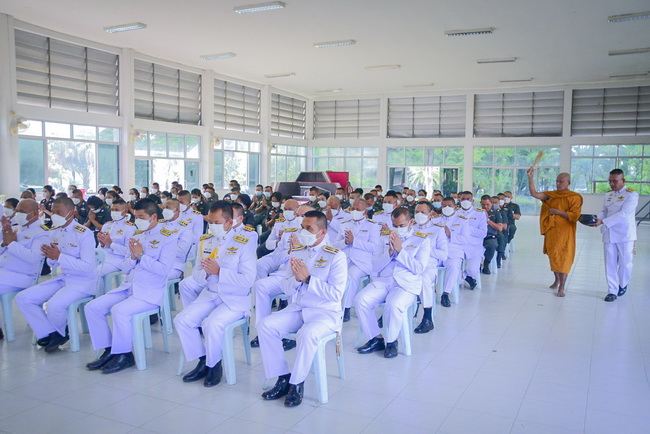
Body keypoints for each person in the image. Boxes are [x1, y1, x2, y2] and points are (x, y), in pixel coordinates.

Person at [259, 211, 347, 407]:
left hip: (325, 313)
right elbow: (285, 286)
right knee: (266, 325)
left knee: (306, 334)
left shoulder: (336, 256)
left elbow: (335, 294)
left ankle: (296, 384)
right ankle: (282, 377)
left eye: (309, 228)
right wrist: (298, 281)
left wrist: (308, 279)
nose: (304, 232)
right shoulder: (297, 252)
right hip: (299, 308)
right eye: (302, 227)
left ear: (322, 232)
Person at [83, 199, 180, 373]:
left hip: (149, 292)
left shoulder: (168, 237)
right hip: (128, 287)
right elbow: (125, 268)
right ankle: (109, 350)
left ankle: (124, 355)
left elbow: (163, 270)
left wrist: (141, 256)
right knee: (92, 307)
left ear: (153, 216)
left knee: (119, 311)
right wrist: (134, 257)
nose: (137, 220)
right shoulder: (137, 235)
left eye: (141, 217)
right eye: (136, 217)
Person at [174, 201, 257, 387]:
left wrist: (220, 272)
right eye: (210, 222)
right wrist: (206, 273)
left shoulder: (244, 242)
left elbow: (247, 280)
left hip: (234, 299)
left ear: (229, 222)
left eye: (217, 222)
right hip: (211, 294)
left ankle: (215, 366)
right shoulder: (206, 241)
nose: (212, 226)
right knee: (182, 320)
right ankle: (203, 360)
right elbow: (196, 274)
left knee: (211, 324)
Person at [15, 197, 97, 352]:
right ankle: (50, 332)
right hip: (63, 278)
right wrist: (52, 258)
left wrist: (59, 256)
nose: (55, 215)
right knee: (24, 298)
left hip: (83, 282)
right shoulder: (54, 232)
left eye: (59, 212)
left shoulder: (83, 233)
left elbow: (87, 267)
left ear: (72, 212)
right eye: (53, 212)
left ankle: (59, 333)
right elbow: (53, 264)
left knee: (54, 305)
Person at [356, 207, 431, 357]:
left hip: (406, 284)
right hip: (385, 281)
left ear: (411, 222)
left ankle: (391, 342)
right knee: (360, 299)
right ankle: (375, 338)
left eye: (401, 225)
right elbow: (375, 266)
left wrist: (400, 251)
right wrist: (390, 253)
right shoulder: (384, 237)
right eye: (394, 225)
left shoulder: (422, 239)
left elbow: (418, 269)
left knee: (393, 304)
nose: (397, 229)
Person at [527, 167, 583, 297]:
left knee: (564, 257)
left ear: (568, 183)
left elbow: (575, 215)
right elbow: (534, 194)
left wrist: (558, 212)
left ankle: (562, 287)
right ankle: (556, 280)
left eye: (561, 181)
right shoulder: (551, 195)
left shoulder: (574, 197)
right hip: (552, 231)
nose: (558, 184)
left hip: (565, 232)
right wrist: (530, 178)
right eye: (557, 181)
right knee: (553, 255)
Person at [0, 199, 51, 340]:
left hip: (22, 276)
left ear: (34, 214)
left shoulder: (42, 233)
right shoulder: (17, 228)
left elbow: (34, 257)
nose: (17, 214)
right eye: (17, 211)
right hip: (5, 273)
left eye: (22, 212)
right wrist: (4, 243)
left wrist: (11, 244)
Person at [593, 169, 639, 302]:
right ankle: (612, 290)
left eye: (615, 181)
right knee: (610, 263)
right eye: (610, 181)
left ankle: (623, 284)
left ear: (623, 180)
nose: (612, 184)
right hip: (609, 233)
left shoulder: (631, 195)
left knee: (625, 262)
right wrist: (597, 218)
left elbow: (624, 214)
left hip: (625, 234)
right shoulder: (608, 195)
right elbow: (605, 211)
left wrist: (603, 221)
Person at [332, 198, 379, 322]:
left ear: (365, 211)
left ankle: (346, 308)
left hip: (362, 263)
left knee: (351, 276)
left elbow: (373, 247)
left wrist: (355, 242)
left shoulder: (372, 225)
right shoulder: (345, 224)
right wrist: (345, 242)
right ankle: (333, 306)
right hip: (345, 260)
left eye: (358, 209)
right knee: (334, 275)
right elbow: (335, 245)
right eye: (353, 208)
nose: (354, 211)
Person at [411, 201, 448, 333]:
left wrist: (425, 249)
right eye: (417, 212)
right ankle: (388, 313)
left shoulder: (438, 230)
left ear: (431, 214)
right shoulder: (410, 228)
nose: (419, 215)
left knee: (424, 279)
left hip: (428, 265)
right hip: (410, 263)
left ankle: (427, 317)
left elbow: (443, 255)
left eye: (423, 212)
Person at [437, 197, 470, 307]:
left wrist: (450, 234)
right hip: (438, 252)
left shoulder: (462, 220)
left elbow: (465, 239)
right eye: (444, 206)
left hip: (453, 252)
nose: (446, 208)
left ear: (455, 207)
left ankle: (446, 293)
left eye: (449, 206)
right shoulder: (435, 220)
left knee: (454, 266)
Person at [96, 199, 137, 285]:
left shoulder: (130, 228)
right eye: (112, 210)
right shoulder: (107, 225)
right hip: (103, 257)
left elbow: (129, 252)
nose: (113, 212)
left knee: (96, 272)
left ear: (124, 211)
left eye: (116, 210)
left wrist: (111, 244)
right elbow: (100, 247)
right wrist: (102, 244)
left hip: (118, 260)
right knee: (85, 270)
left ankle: (97, 292)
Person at [457, 191, 487, 289]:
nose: (465, 201)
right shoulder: (455, 213)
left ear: (472, 201)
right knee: (452, 269)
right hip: (459, 245)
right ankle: (466, 278)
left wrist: (466, 228)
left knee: (473, 271)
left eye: (468, 199)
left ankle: (466, 276)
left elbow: (483, 233)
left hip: (474, 246)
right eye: (463, 199)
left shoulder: (480, 213)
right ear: (459, 200)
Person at [160, 199, 194, 280]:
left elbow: (181, 252)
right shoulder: (159, 224)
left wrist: (161, 246)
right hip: (157, 262)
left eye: (167, 208)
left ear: (176, 210)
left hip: (174, 265)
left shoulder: (185, 228)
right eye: (164, 208)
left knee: (154, 278)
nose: (164, 210)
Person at [481, 195, 503, 275]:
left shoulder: (496, 213)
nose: (485, 207)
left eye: (487, 204)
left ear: (491, 204)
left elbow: (500, 228)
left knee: (492, 245)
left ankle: (486, 263)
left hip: (489, 236)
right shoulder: (476, 212)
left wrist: (487, 220)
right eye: (483, 204)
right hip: (477, 236)